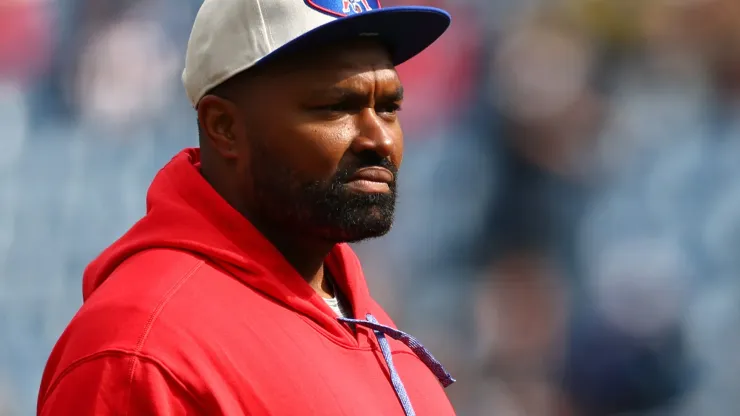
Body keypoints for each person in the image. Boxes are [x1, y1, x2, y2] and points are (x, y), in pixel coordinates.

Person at [36, 0, 455, 415]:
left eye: (388, 108)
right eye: (335, 107)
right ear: (224, 128)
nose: (380, 139)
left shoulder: (372, 326)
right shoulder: (143, 352)